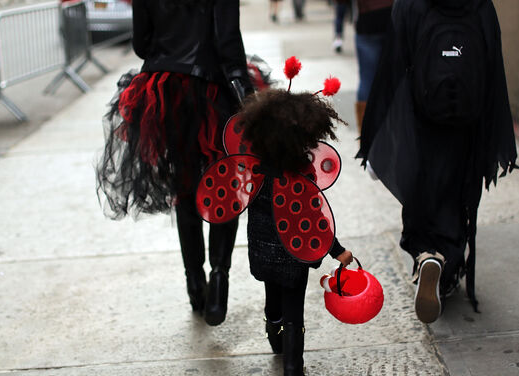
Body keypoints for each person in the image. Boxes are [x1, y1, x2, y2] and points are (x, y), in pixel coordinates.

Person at [357, 0, 519, 324]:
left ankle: (424, 254)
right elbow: (493, 67)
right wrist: (497, 135)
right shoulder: (481, 6)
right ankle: (446, 266)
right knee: (459, 190)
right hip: (467, 123)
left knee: (422, 185)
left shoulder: (409, 5)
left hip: (422, 119)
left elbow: (391, 69)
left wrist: (375, 136)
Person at [95, 0, 254, 327]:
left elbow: (141, 44)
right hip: (212, 90)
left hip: (165, 91)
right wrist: (249, 100)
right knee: (224, 187)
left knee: (185, 188)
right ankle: (219, 278)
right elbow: (228, 44)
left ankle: (194, 283)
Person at [197, 60, 353, 375]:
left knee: (274, 302)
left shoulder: (253, 173)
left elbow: (230, 201)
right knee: (296, 312)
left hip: (264, 254)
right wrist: (338, 252)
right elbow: (317, 224)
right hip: (295, 257)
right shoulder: (302, 180)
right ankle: (293, 365)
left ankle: (274, 333)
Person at [354, 0, 393, 133]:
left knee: (367, 80)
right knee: (399, 76)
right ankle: (398, 134)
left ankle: (366, 136)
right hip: (396, 13)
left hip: (368, 16)